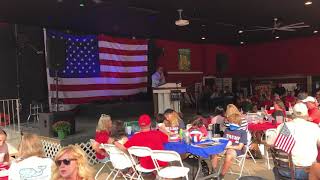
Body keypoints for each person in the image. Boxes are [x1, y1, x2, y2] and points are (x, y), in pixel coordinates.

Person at [273, 103, 320, 180]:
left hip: (283, 170)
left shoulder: (283, 126)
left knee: (275, 169)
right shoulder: (314, 127)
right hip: (306, 172)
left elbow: (272, 144)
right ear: (306, 113)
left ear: (293, 113)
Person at [211, 113, 247, 179]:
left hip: (236, 149)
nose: (230, 124)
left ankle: (221, 175)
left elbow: (239, 147)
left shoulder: (243, 132)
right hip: (226, 147)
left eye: (231, 122)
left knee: (229, 154)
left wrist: (227, 147)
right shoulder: (227, 130)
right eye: (229, 122)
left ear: (237, 123)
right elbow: (224, 140)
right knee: (213, 151)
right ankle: (214, 172)